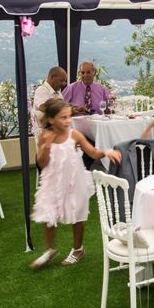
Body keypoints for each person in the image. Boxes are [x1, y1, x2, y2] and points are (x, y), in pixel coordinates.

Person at [30, 98, 122, 269]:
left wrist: (107, 152)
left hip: (75, 180)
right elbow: (42, 164)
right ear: (51, 119)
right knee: (49, 213)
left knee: (77, 214)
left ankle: (78, 249)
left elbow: (93, 152)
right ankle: (50, 249)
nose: (67, 121)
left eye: (68, 117)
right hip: (53, 181)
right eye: (62, 117)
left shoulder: (75, 135)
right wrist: (45, 148)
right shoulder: (45, 136)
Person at [32, 66, 67, 130]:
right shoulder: (42, 90)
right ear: (52, 77)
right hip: (45, 132)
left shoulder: (58, 93)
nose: (64, 84)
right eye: (61, 80)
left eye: (65, 81)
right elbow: (43, 107)